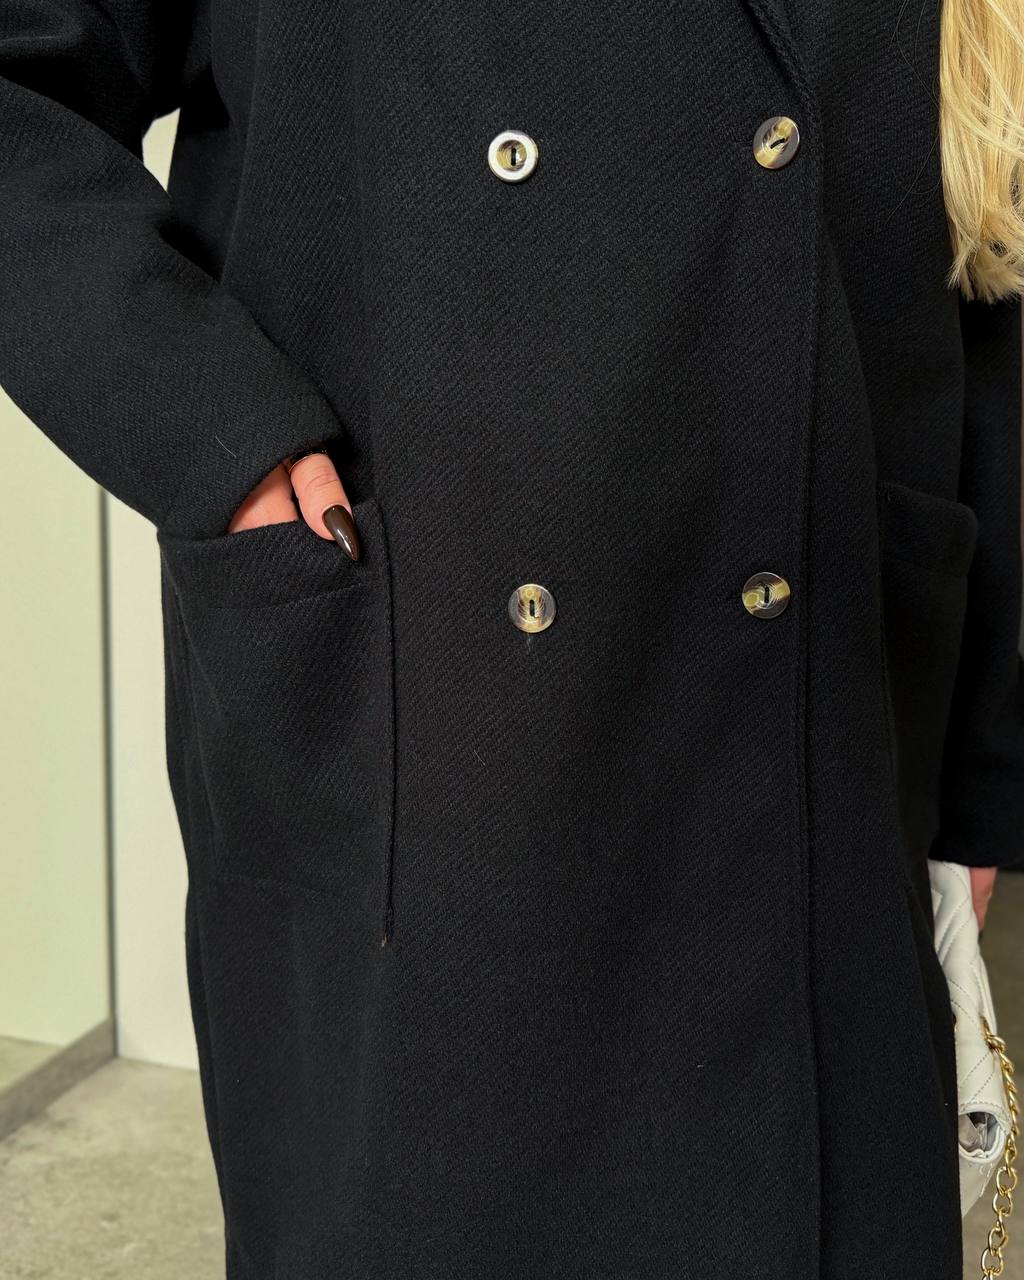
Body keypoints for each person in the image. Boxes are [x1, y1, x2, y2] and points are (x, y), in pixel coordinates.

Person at [1, 0, 1021, 1275]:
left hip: (826, 727)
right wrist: (220, 438)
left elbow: (982, 242)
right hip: (437, 711)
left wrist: (980, 760)